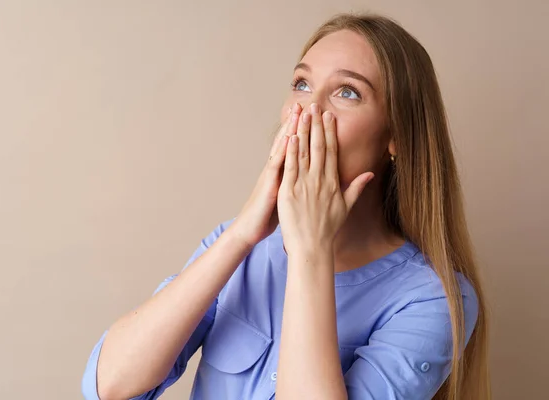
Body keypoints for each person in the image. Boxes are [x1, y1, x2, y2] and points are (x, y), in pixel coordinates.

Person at [82, 12, 490, 400]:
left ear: (396, 135)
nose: (309, 112)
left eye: (347, 92)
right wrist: (242, 235)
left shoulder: (434, 299)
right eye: (301, 84)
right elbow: (111, 385)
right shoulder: (238, 247)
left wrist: (310, 250)